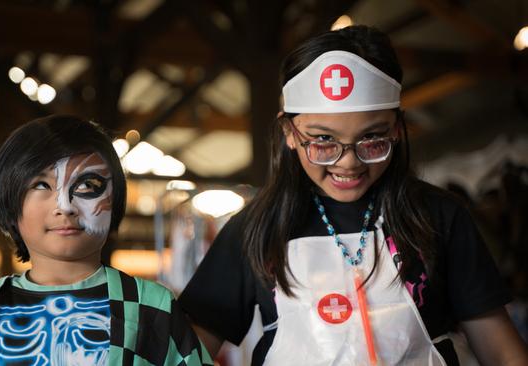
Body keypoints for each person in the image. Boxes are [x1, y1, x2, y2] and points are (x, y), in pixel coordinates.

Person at [178, 25, 528, 365]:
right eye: (323, 140)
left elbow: (500, 351)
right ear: (288, 131)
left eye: (372, 138)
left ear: (396, 128)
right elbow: (187, 352)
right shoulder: (257, 228)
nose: (348, 162)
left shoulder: (438, 217)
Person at [0, 115, 211, 366]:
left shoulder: (154, 308)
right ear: (9, 200)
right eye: (41, 184)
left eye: (87, 185)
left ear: (116, 197)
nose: (65, 206)